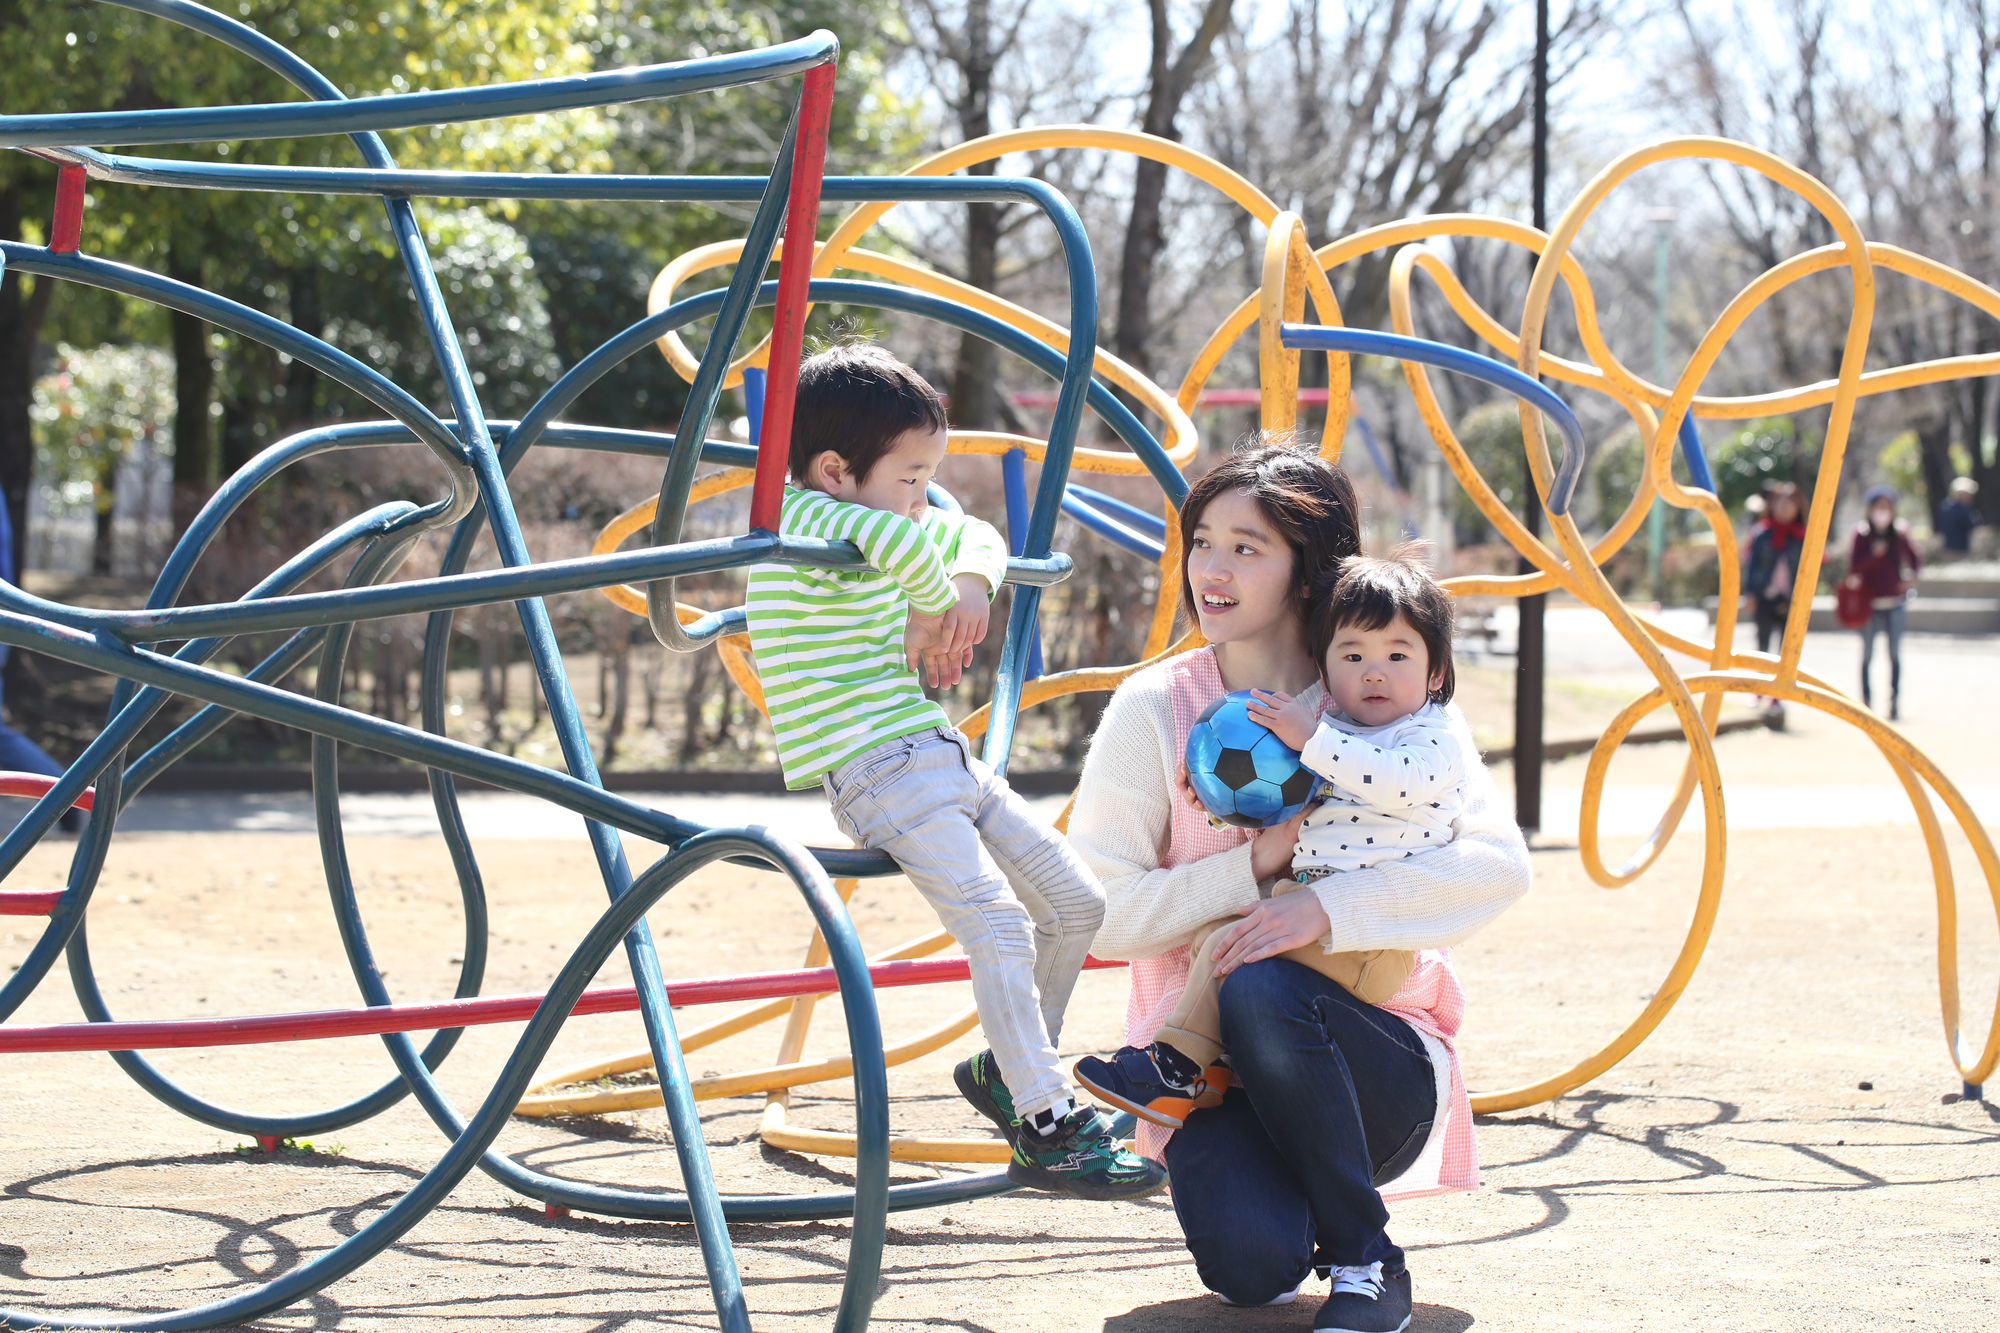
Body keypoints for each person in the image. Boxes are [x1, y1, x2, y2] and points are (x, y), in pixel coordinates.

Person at [1069, 440, 1531, 1333]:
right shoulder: (1153, 708)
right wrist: (1250, 868)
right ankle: (1296, 1206)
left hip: (1370, 1066)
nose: (1213, 567)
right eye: (1204, 540)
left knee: (1266, 975)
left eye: (1248, 547)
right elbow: (1106, 913)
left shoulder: (1383, 691)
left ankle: (1367, 1256)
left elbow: (1498, 866)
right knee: (1251, 1271)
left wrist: (1324, 908)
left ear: (1309, 572)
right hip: (1208, 1076)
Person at [743, 342, 1165, 1201]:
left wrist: (968, 584)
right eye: (909, 474)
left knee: (1077, 901)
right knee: (999, 921)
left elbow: (969, 527)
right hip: (875, 768)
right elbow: (896, 537)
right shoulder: (807, 520)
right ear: (832, 468)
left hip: (933, 752)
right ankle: (1049, 1121)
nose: (921, 491)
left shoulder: (873, 512)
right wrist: (942, 594)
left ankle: (1014, 1076)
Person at [1072, 553, 1464, 1132]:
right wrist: (1216, 800)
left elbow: (1393, 781)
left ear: (1436, 673)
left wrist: (1312, 738)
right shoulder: (1347, 734)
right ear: (1327, 667)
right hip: (1316, 919)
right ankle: (1205, 1074)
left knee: (1236, 950)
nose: (1374, 672)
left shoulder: (1434, 737)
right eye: (1354, 657)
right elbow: (1309, 801)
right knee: (1215, 936)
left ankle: (1171, 1067)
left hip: (1371, 947)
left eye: (1397, 656)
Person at [1843, 484, 1921, 720]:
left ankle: (1894, 703)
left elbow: (1915, 559)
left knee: (1895, 654)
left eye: (1886, 507)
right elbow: (1853, 566)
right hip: (1869, 603)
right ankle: (1866, 703)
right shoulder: (1861, 534)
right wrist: (1872, 555)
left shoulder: (1900, 532)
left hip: (1894, 601)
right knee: (1867, 655)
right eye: (1878, 507)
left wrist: (1910, 579)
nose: (1882, 512)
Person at [1742, 481, 1806, 725]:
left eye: (1790, 503)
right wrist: (1750, 593)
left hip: (1790, 600)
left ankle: (1778, 694)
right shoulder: (1762, 532)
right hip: (1765, 596)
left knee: (1785, 650)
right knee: (1762, 646)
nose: (1785, 508)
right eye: (1780, 502)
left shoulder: (1802, 535)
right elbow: (1751, 565)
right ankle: (1758, 688)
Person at [1936, 476, 1982, 556]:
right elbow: (1971, 524)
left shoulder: (1944, 506)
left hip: (1947, 547)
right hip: (1959, 549)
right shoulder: (1961, 509)